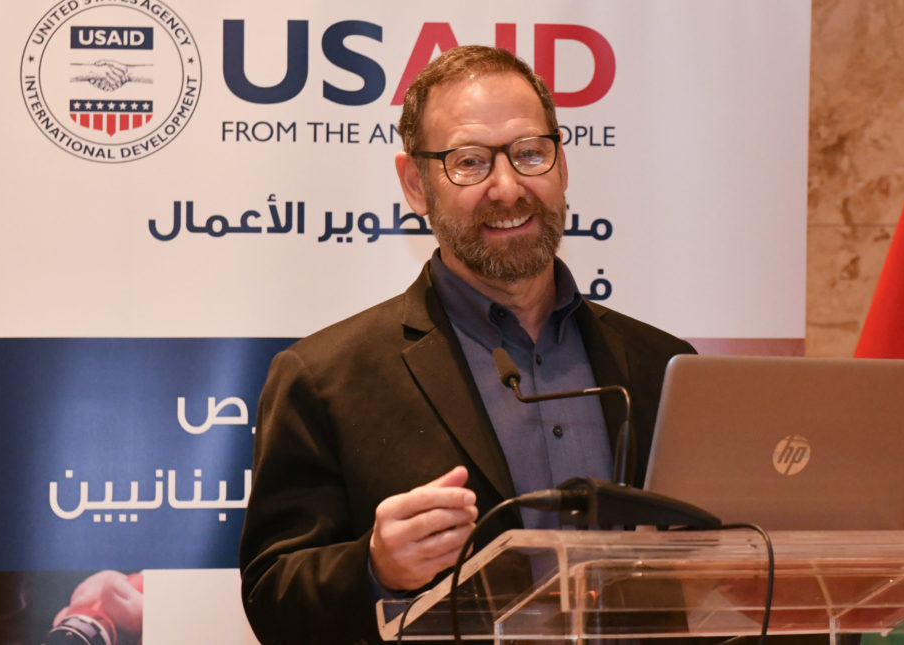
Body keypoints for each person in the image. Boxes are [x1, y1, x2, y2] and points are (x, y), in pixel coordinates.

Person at [238, 45, 695, 645]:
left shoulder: (665, 367)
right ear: (416, 184)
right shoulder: (325, 378)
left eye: (530, 153)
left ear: (561, 165)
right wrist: (375, 568)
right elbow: (273, 598)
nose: (507, 188)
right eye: (470, 162)